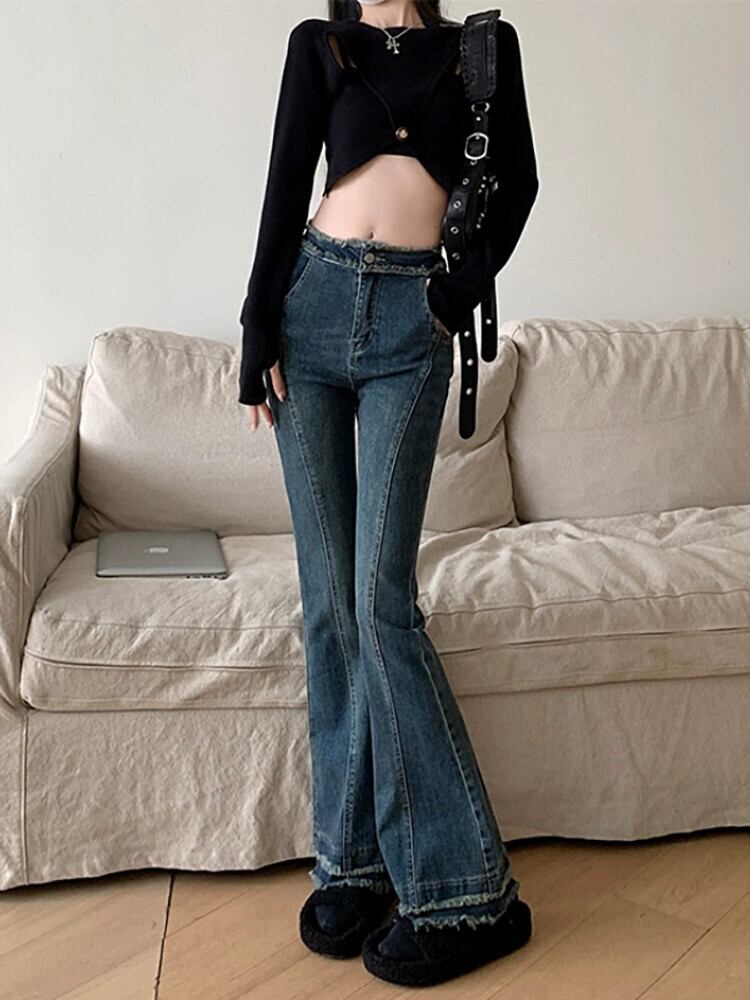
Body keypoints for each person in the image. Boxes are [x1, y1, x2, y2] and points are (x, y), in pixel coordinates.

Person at [237, 0, 539, 986]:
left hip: (413, 327)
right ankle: (354, 863)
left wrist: (451, 296)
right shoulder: (319, 45)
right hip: (310, 314)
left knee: (381, 603)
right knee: (329, 605)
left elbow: (519, 182)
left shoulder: (479, 50)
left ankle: (468, 895)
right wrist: (256, 328)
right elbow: (286, 183)